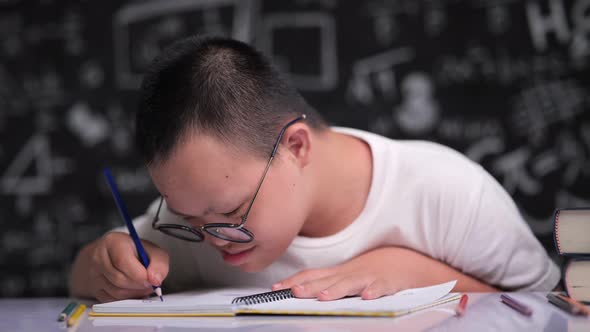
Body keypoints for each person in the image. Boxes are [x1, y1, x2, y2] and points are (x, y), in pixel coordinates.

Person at [69, 36, 560, 303]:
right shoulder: (198, 217)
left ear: (296, 146)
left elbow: (557, 312)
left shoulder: (448, 193)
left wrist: (418, 274)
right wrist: (104, 265)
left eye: (230, 213)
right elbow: (87, 274)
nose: (212, 238)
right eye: (186, 217)